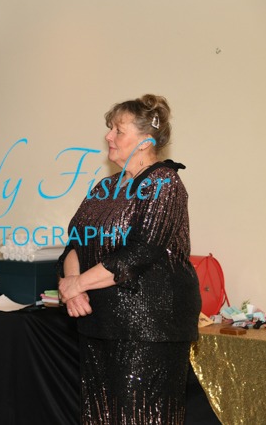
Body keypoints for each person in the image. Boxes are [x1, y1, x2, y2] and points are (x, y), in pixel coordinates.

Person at [57, 94, 201, 424]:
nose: (108, 136)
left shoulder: (163, 182)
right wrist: (72, 286)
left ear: (146, 140)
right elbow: (75, 245)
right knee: (100, 416)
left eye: (118, 130)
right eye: (110, 128)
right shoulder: (103, 187)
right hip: (98, 323)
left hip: (149, 329)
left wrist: (78, 284)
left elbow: (140, 253)